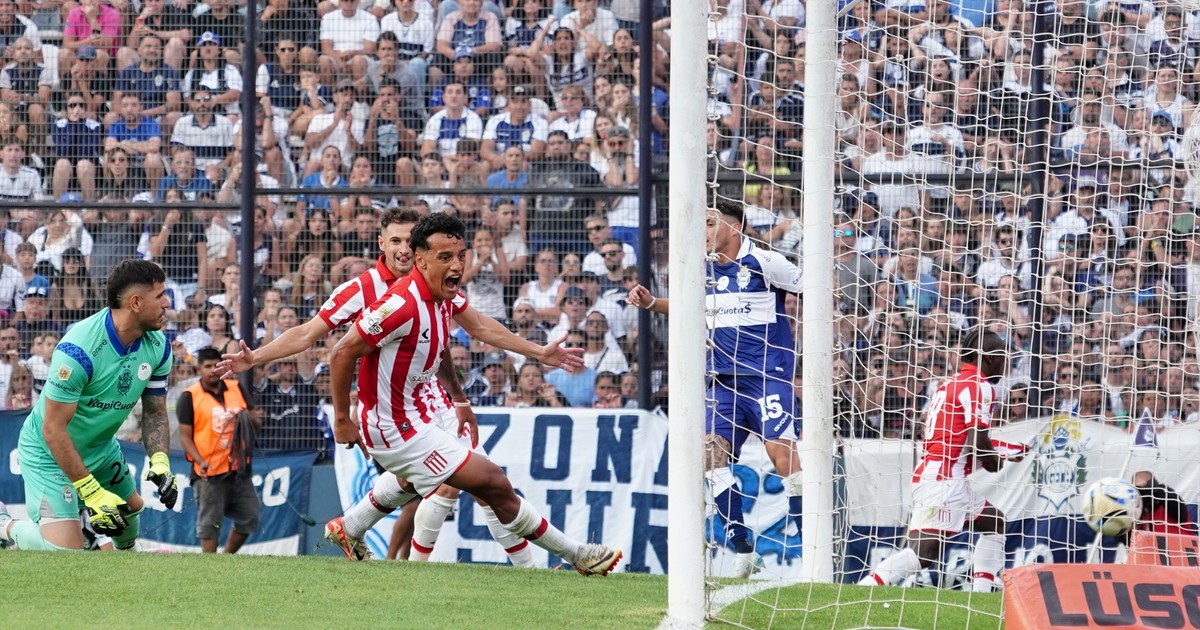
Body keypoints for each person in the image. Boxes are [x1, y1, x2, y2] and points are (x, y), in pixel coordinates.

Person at [216, 208, 583, 565]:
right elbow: (309, 335)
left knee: (461, 478)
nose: (404, 249)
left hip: (429, 398)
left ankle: (356, 529)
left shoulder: (437, 282)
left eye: (410, 240)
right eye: (396, 241)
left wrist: (461, 397)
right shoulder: (366, 289)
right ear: (382, 243)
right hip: (391, 411)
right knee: (475, 481)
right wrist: (257, 357)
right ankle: (505, 568)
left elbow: (452, 339)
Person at [328, 212, 622, 575]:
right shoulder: (399, 304)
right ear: (420, 260)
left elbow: (481, 326)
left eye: (461, 255)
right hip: (394, 428)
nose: (456, 265)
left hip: (423, 412)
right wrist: (342, 419)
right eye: (445, 257)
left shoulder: (443, 295)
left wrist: (538, 353)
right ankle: (578, 556)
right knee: (492, 482)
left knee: (421, 479)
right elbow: (341, 353)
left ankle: (350, 528)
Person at [627, 200, 803, 578]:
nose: (702, 231)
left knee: (783, 459)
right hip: (722, 381)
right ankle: (743, 547)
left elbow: (812, 289)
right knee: (709, 454)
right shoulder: (701, 271)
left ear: (733, 227)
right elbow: (689, 307)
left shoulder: (765, 262)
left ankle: (814, 550)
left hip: (767, 378)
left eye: (709, 223)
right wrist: (651, 302)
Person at [0, 260, 179, 551]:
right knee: (66, 551)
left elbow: (156, 412)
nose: (167, 303)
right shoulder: (78, 350)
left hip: (100, 448)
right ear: (135, 302)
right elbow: (53, 430)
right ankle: (4, 526)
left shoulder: (159, 346)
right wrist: (92, 492)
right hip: (49, 453)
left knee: (132, 508)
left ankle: (127, 554)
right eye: (160, 296)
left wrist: (160, 462)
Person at [857, 330, 1017, 592]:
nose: (1005, 364)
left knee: (994, 523)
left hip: (941, 473)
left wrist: (1004, 450)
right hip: (944, 481)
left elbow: (957, 438)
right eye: (1002, 356)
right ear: (989, 358)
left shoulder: (951, 383)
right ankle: (865, 588)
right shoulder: (980, 386)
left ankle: (981, 593)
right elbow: (978, 443)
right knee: (924, 553)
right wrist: (995, 462)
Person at [177, 347, 261, 553]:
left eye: (217, 365)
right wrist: (200, 461)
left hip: (238, 469)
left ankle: (226, 557)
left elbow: (256, 422)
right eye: (207, 366)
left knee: (250, 517)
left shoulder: (236, 387)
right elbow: (185, 437)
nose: (213, 370)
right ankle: (210, 564)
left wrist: (249, 418)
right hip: (209, 472)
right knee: (210, 526)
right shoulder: (189, 396)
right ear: (199, 369)